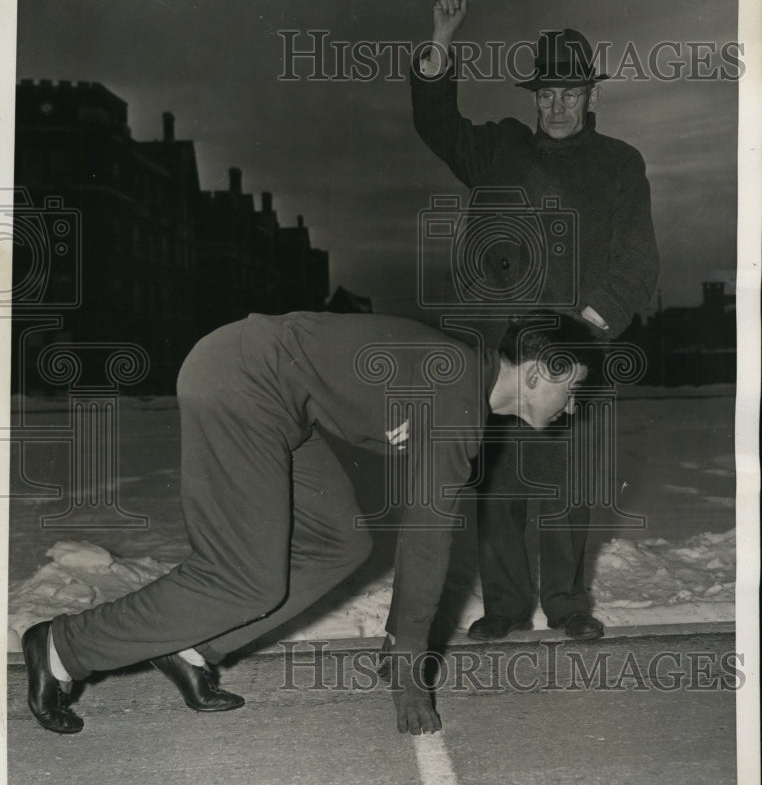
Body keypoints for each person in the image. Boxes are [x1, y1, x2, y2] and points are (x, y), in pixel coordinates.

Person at [22, 310, 593, 737]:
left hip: (277, 396)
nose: (573, 406)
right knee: (244, 576)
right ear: (541, 372)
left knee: (338, 541)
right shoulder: (459, 401)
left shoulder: (459, 382)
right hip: (243, 382)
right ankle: (62, 646)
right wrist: (408, 661)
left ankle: (195, 649)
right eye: (574, 389)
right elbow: (426, 535)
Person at [410, 0, 659, 643]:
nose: (556, 104)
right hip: (496, 354)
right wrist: (441, 39)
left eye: (570, 92)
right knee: (496, 490)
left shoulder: (619, 166)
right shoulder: (499, 150)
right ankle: (506, 608)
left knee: (567, 491)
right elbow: (436, 124)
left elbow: (637, 263)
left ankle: (570, 606)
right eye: (545, 92)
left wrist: (581, 334)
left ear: (591, 97)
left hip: (571, 353)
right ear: (533, 96)